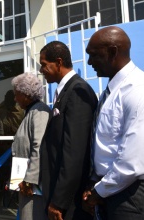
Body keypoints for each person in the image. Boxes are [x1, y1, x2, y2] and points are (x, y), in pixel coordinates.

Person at [82, 26, 144, 220]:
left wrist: (99, 191)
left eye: (93, 55)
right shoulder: (112, 91)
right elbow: (106, 145)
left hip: (128, 194)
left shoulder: (137, 89)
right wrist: (96, 185)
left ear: (112, 52)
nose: (89, 62)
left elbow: (132, 159)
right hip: (110, 188)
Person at [39, 41, 98, 220]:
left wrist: (59, 201)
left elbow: (74, 153)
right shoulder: (65, 90)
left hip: (69, 203)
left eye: (43, 65)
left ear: (58, 62)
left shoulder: (77, 91)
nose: (41, 70)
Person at [10, 72, 51, 220]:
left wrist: (29, 180)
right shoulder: (30, 112)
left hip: (33, 187)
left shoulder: (40, 112)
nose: (15, 99)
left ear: (26, 93)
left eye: (17, 94)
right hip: (25, 183)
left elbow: (39, 146)